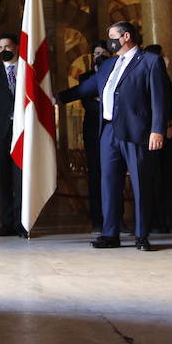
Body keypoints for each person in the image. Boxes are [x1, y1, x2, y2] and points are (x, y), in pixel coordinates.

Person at [59, 22, 169, 251]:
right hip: (108, 130)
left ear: (126, 36)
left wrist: (157, 130)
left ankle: (141, 235)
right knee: (108, 182)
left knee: (140, 182)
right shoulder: (109, 64)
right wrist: (55, 98)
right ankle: (110, 234)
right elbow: (85, 88)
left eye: (111, 36)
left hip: (135, 130)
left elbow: (159, 99)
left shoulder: (149, 61)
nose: (108, 40)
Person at [0, 33, 26, 237]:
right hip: (1, 133)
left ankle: (21, 223)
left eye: (7, 47)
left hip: (23, 132)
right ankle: (7, 223)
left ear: (16, 47)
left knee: (20, 179)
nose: (4, 51)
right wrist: (4, 119)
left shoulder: (27, 71)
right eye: (0, 48)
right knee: (4, 179)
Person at [68, 44, 112, 230]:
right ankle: (97, 219)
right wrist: (106, 105)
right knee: (95, 174)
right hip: (93, 130)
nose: (99, 56)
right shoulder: (85, 77)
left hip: (112, 130)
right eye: (96, 53)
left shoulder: (114, 72)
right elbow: (88, 103)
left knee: (112, 174)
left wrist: (101, 102)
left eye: (102, 53)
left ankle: (115, 219)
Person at [143, 45, 172, 234]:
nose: (166, 59)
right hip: (154, 135)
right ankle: (158, 221)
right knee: (156, 179)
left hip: (167, 135)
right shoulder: (151, 76)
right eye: (163, 56)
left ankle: (168, 221)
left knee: (165, 179)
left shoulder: (164, 77)